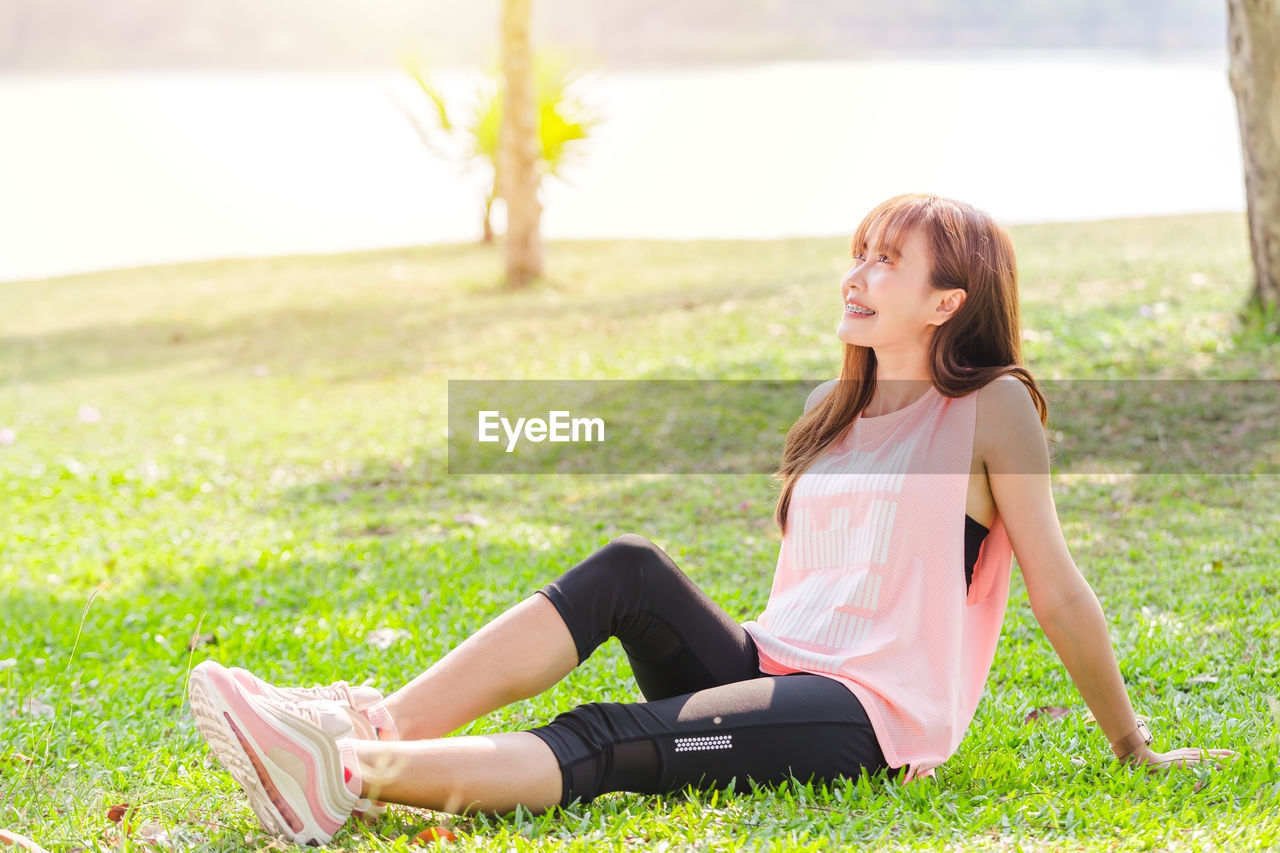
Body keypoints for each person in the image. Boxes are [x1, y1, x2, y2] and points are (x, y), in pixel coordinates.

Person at [187, 193, 1232, 845]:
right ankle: (362, 727)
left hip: (862, 714)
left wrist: (1128, 742)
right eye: (855, 252)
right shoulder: (837, 415)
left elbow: (1053, 583)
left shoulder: (989, 406)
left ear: (946, 301)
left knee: (610, 739)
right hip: (773, 666)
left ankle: (347, 779)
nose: (853, 274)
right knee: (627, 566)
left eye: (883, 261)